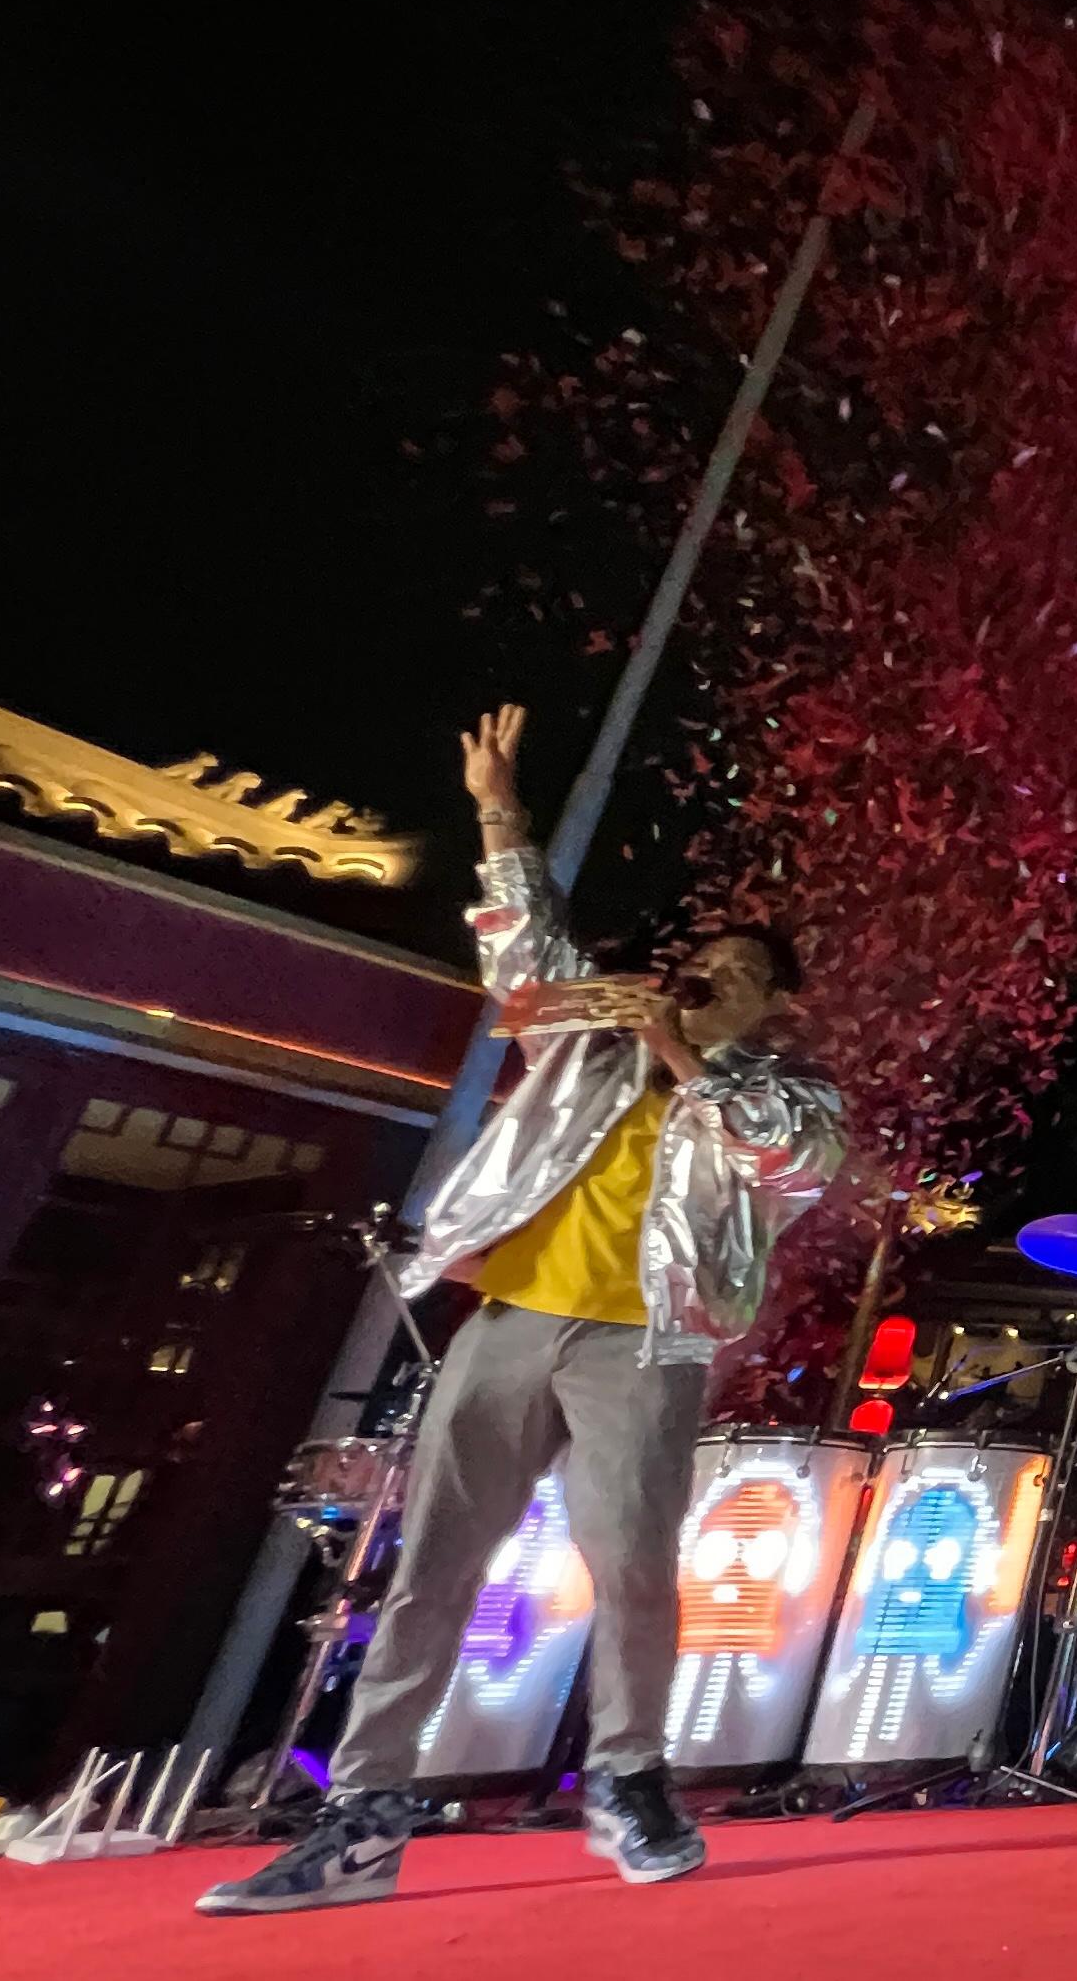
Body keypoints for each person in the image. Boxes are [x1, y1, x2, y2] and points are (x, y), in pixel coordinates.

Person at [202, 706, 844, 1915]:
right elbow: (526, 951)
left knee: (635, 1567)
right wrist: (501, 809)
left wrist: (681, 1052)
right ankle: (364, 1817)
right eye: (704, 956)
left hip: (641, 1347)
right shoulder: (591, 1045)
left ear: (771, 1010)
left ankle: (627, 1777)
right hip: (505, 1326)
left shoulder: (789, 1096)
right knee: (431, 1568)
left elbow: (783, 1170)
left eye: (744, 976)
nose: (712, 974)